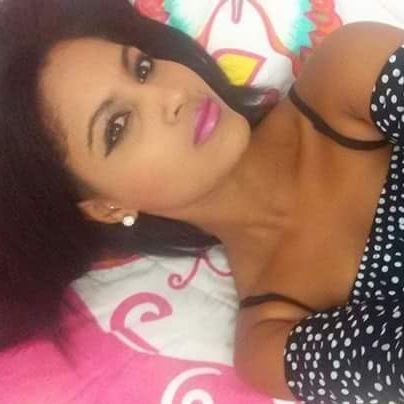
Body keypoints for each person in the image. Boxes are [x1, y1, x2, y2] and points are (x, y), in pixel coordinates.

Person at [1, 0, 404, 402]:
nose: (173, 93)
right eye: (118, 126)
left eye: (143, 69)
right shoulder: (271, 337)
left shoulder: (346, 72)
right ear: (107, 207)